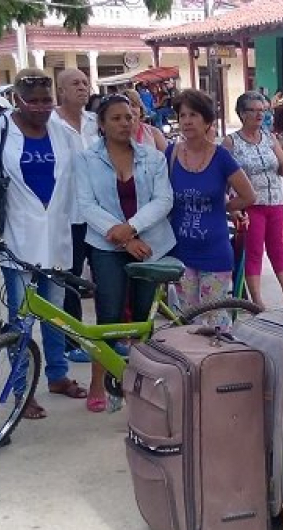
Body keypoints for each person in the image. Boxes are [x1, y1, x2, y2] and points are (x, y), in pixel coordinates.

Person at [0, 69, 87, 419]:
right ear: (16, 100)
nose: (41, 108)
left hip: (56, 238)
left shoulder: (63, 132)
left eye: (46, 100)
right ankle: (22, 390)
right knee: (21, 319)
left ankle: (57, 375)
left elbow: (78, 180)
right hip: (18, 239)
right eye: (33, 101)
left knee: (55, 313)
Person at [73, 94, 174, 412]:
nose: (124, 123)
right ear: (101, 124)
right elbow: (86, 204)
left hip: (149, 242)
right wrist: (124, 238)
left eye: (129, 117)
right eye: (116, 118)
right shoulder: (87, 160)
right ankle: (98, 381)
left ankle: (142, 382)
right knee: (108, 315)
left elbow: (163, 200)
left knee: (144, 316)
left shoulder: (153, 157)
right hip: (106, 245)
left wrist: (131, 227)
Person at [166, 89, 257, 327]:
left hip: (215, 252)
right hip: (181, 252)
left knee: (214, 320)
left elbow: (248, 195)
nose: (186, 121)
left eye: (193, 114)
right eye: (182, 115)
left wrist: (225, 206)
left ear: (207, 120)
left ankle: (220, 363)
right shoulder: (171, 154)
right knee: (187, 319)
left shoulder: (221, 157)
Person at [222, 91, 283, 309]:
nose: (259, 115)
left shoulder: (269, 138)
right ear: (242, 114)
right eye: (253, 110)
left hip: (275, 204)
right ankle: (257, 303)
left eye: (262, 110)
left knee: (280, 251)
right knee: (253, 253)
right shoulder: (231, 142)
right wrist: (232, 209)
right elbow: (223, 183)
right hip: (251, 207)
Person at [52, 68, 100, 364]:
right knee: (68, 280)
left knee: (106, 280)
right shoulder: (49, 124)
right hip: (66, 216)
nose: (83, 87)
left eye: (85, 82)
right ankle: (72, 342)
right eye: (75, 83)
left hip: (99, 216)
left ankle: (109, 338)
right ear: (61, 91)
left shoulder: (97, 123)